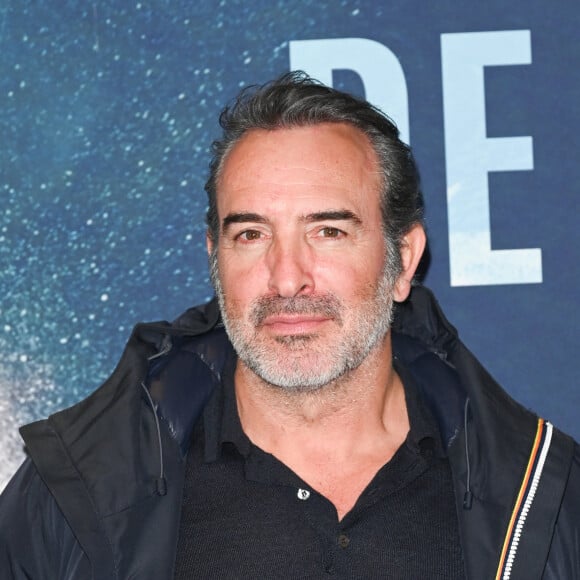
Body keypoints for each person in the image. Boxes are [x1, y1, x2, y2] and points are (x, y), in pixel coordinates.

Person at [0, 71, 578, 579]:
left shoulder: (545, 501)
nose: (286, 278)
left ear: (403, 260)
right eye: (251, 235)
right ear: (215, 257)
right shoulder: (76, 494)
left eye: (328, 231)